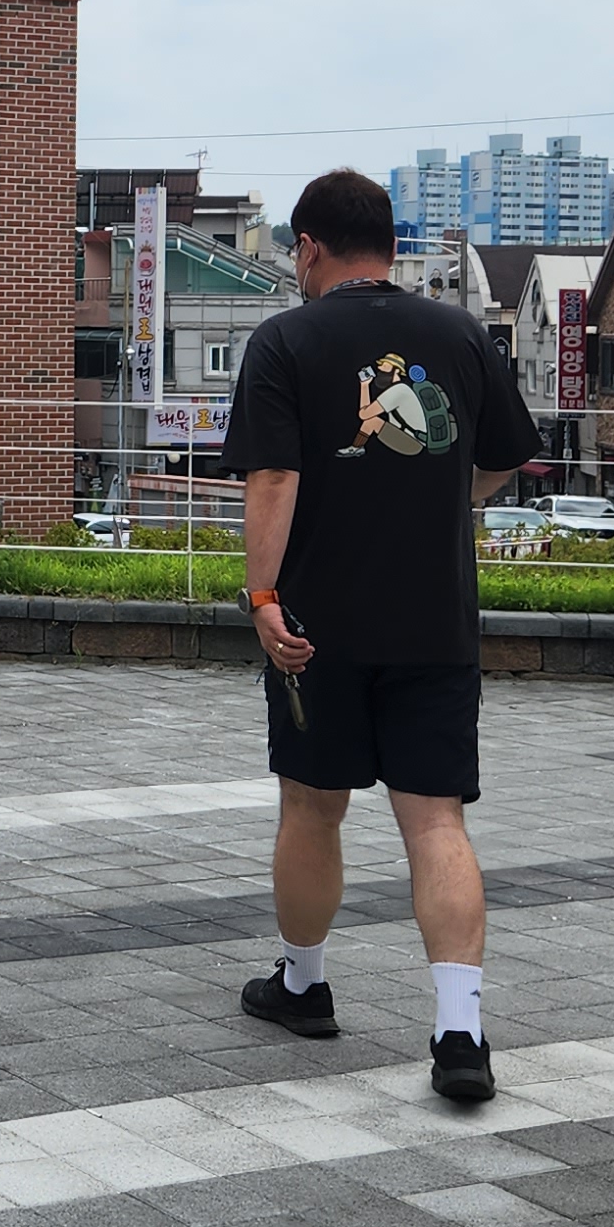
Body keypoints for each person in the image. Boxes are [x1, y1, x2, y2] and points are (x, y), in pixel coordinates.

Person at [222, 169, 540, 1104]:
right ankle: (459, 1032)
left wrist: (263, 595)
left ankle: (304, 985)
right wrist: (444, 498)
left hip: (317, 627)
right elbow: (505, 457)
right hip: (434, 617)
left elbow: (273, 479)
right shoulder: (460, 333)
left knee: (312, 807)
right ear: (392, 246)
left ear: (310, 248)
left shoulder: (284, 340)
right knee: (436, 820)